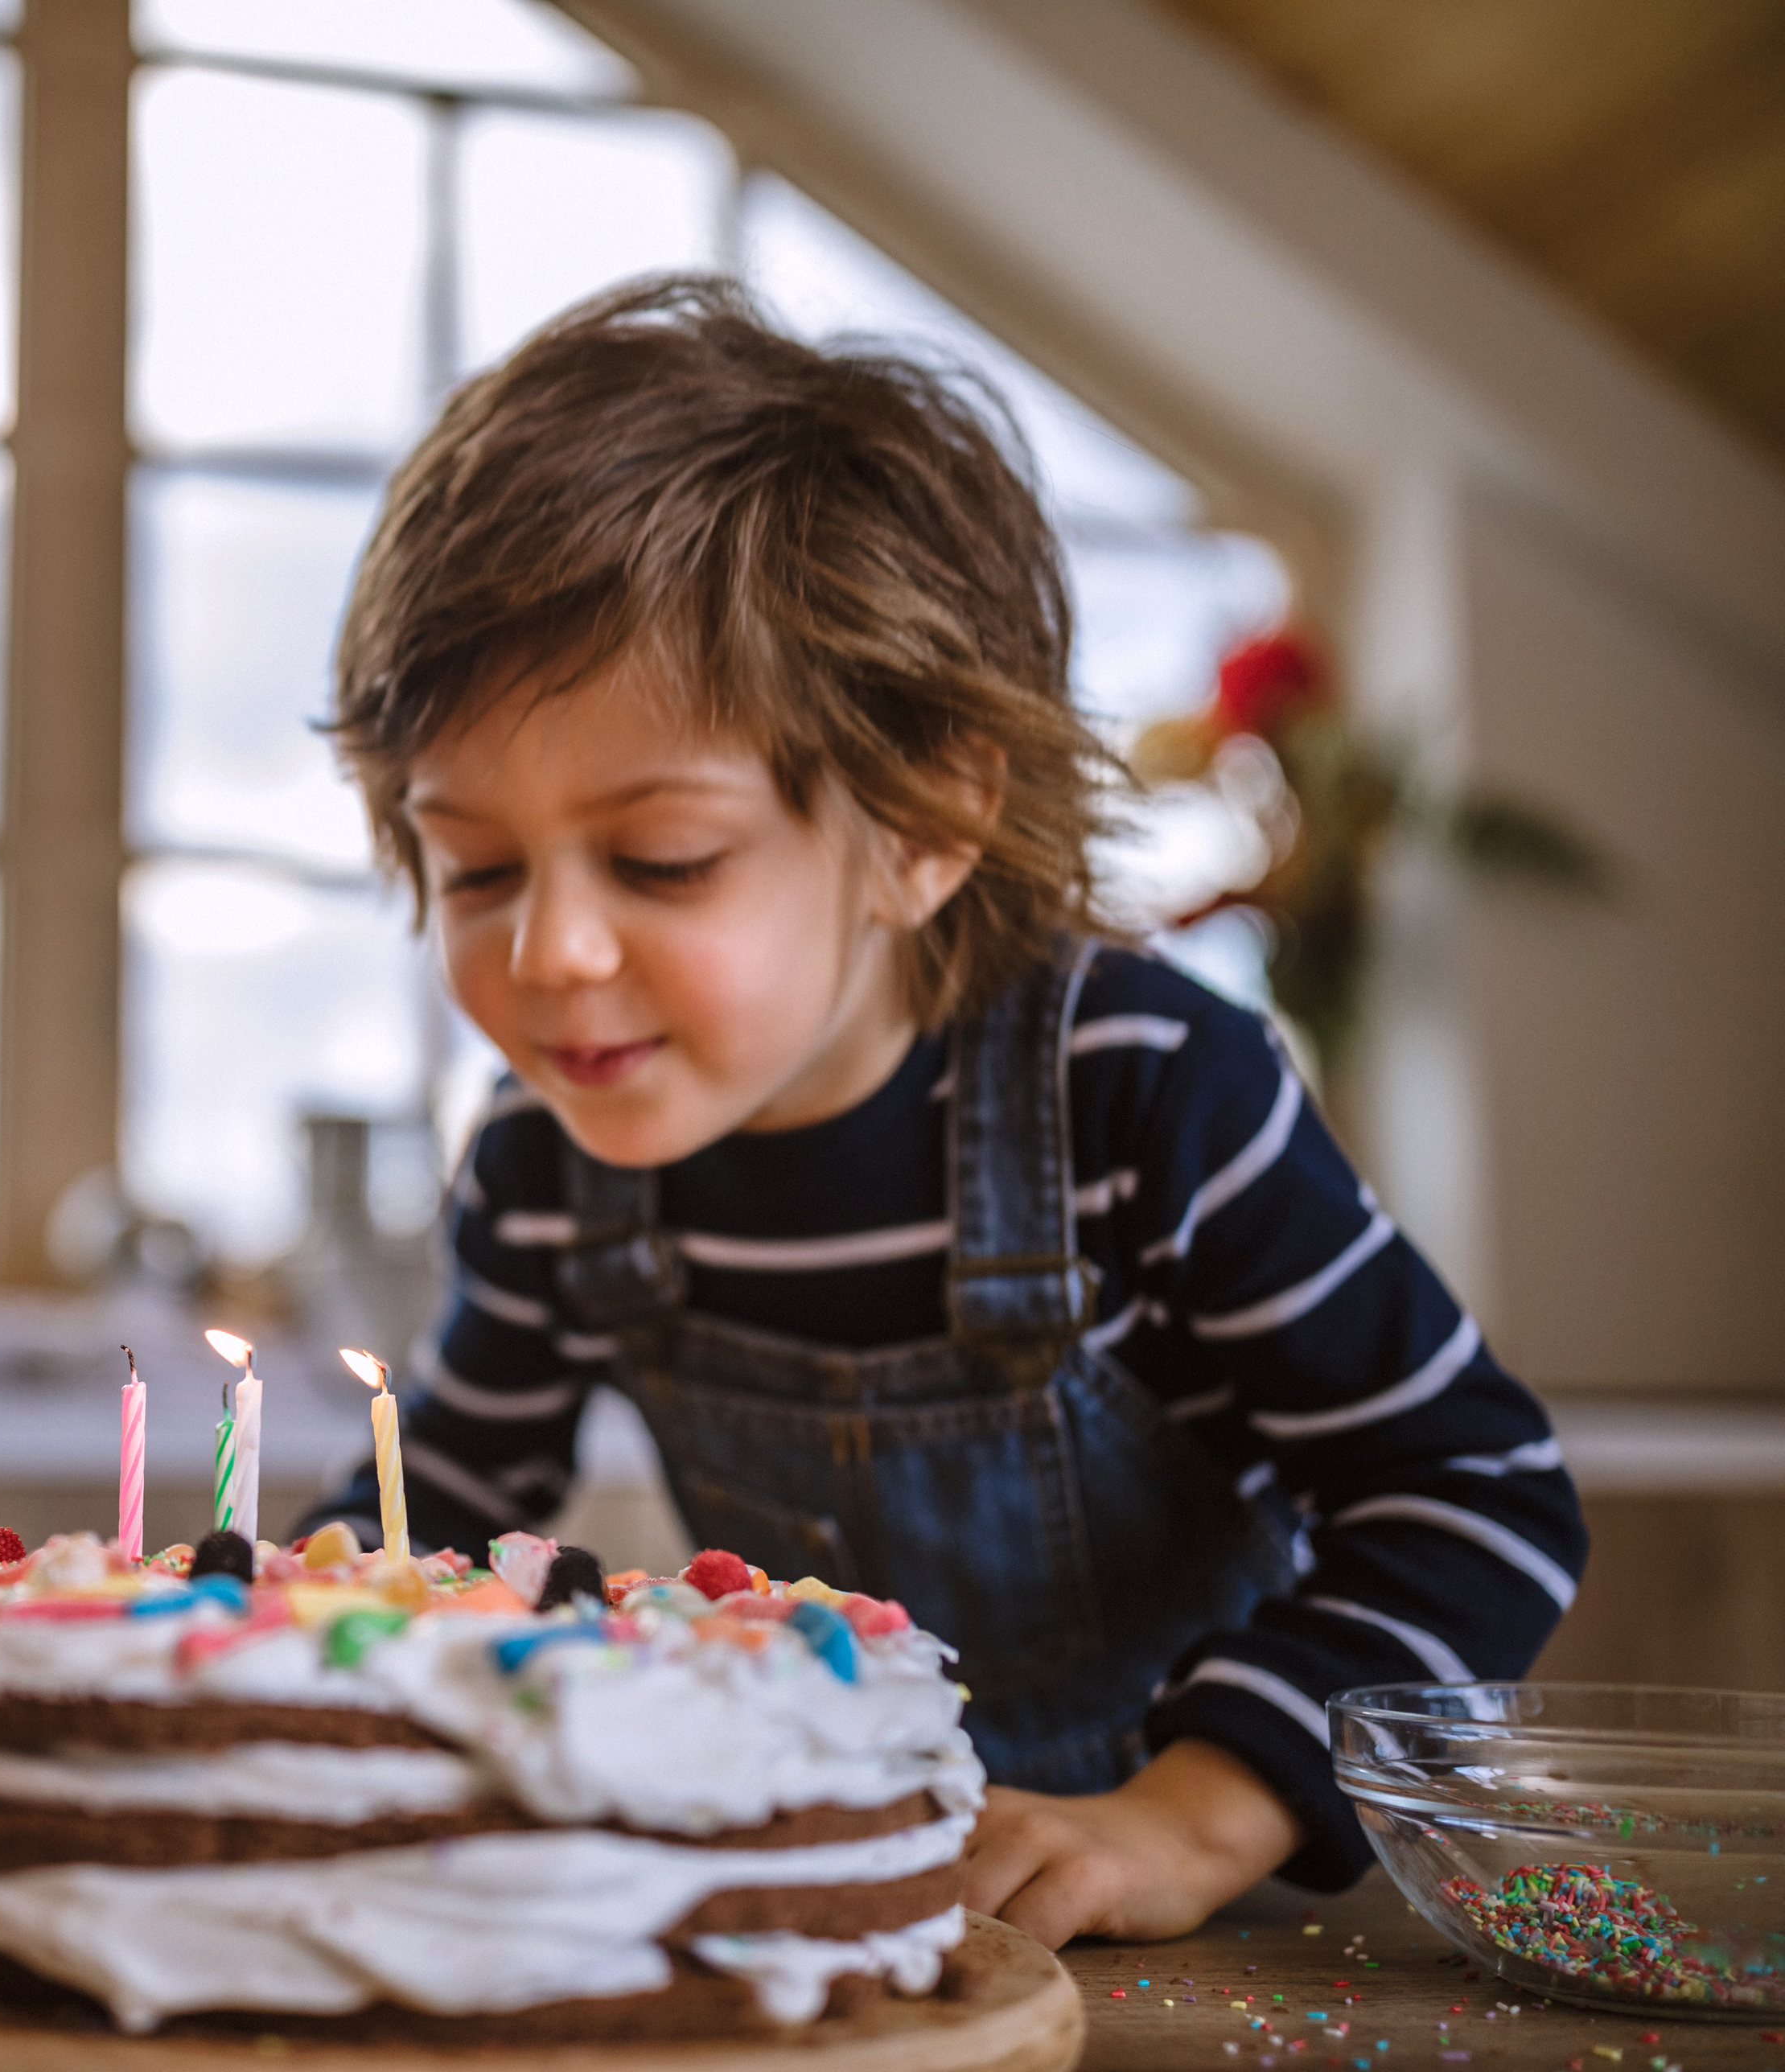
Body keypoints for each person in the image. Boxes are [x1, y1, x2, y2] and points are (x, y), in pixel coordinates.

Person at [296, 276, 1585, 1947]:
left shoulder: (1145, 1093)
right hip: (835, 1931)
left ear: (924, 813)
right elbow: (436, 1517)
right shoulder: (545, 1162)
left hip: (1202, 1943)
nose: (552, 951)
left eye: (662, 858)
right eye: (475, 867)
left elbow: (1479, 1488)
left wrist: (1194, 1814)